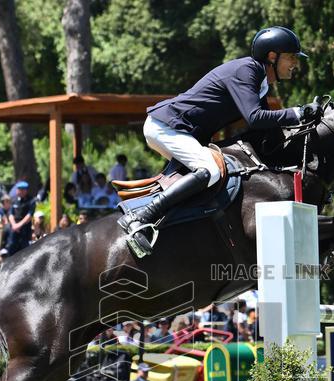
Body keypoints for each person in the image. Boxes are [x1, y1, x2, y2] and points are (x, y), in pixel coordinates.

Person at [118, 26, 319, 257]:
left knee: (213, 178)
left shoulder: (260, 81)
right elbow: (255, 119)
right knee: (210, 170)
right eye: (291, 57)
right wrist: (298, 113)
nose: (295, 64)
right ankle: (141, 216)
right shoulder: (247, 71)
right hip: (167, 126)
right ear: (272, 57)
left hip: (181, 131)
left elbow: (266, 132)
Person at [3, 182, 34, 257]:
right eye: (18, 189)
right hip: (14, 230)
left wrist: (18, 225)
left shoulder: (31, 201)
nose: (19, 191)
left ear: (25, 190)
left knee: (24, 252)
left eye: (21, 190)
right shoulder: (14, 200)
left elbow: (29, 215)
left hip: (24, 230)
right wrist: (14, 225)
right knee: (11, 248)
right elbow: (10, 214)